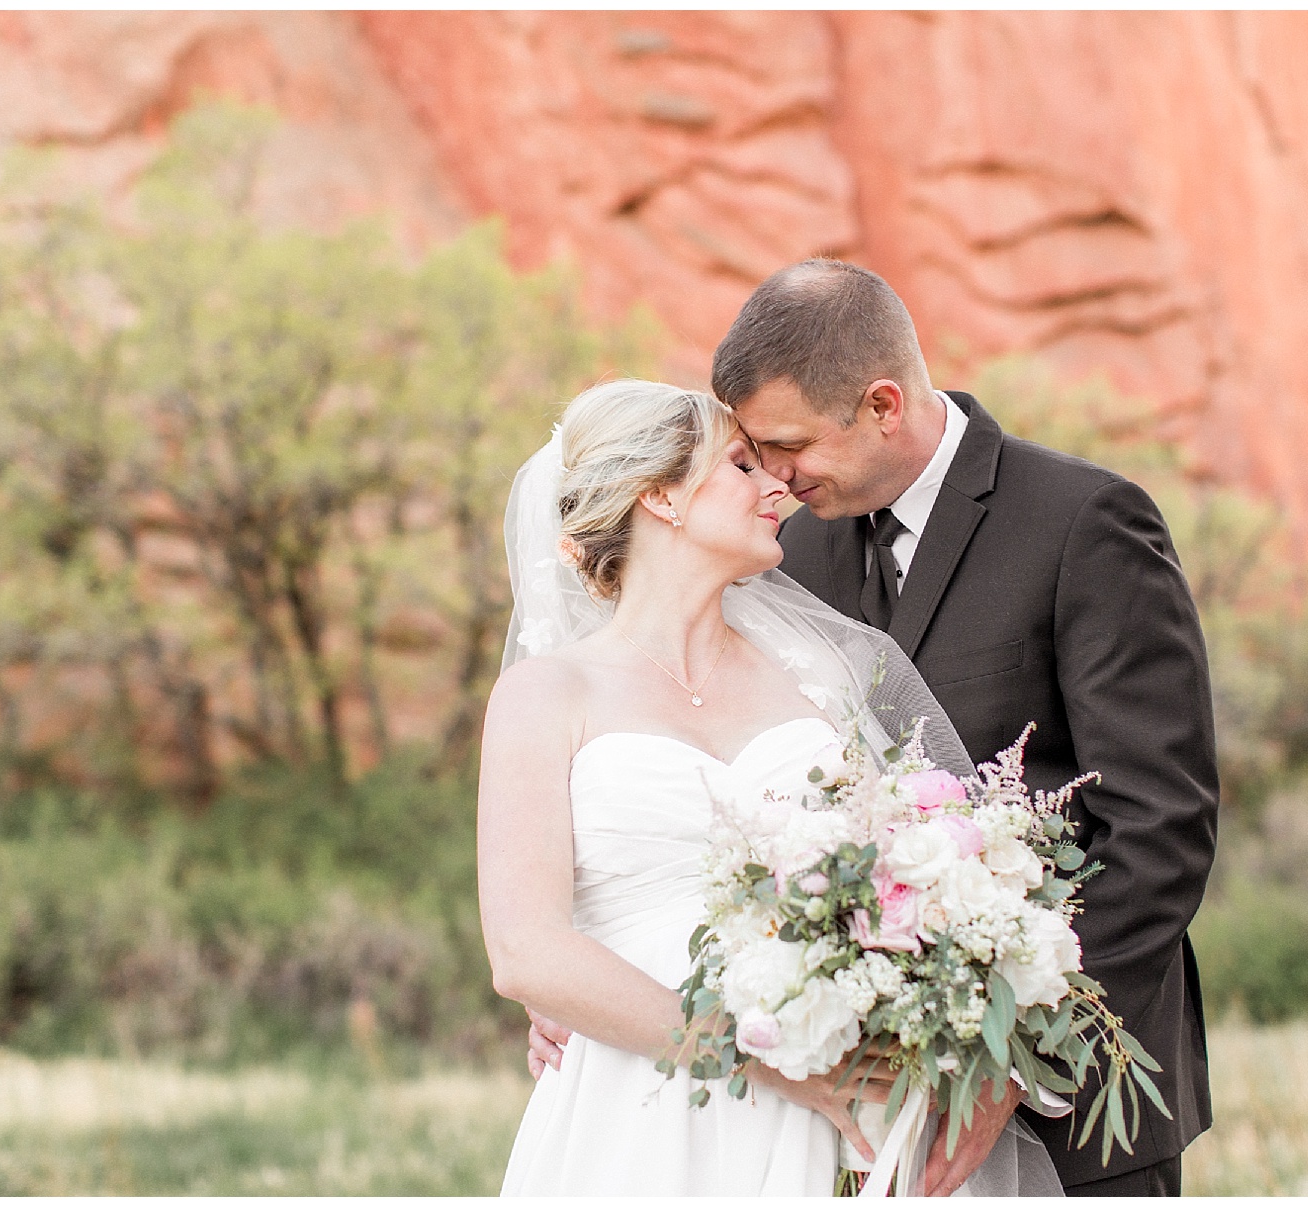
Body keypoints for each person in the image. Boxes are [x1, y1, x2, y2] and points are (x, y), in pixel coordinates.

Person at [529, 261, 1219, 1196]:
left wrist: (1008, 1066)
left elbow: (1159, 827)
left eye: (787, 445)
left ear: (883, 404)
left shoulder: (1082, 524)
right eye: (753, 455)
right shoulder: (784, 553)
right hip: (841, 1112)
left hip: (1078, 1100)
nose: (773, 477)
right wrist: (603, 982)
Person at [484, 378, 960, 1194]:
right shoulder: (547, 694)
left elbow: (915, 870)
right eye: (741, 464)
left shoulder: (823, 678)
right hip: (639, 1104)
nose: (779, 485)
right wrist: (769, 1067)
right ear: (661, 495)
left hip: (839, 1093)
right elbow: (527, 952)